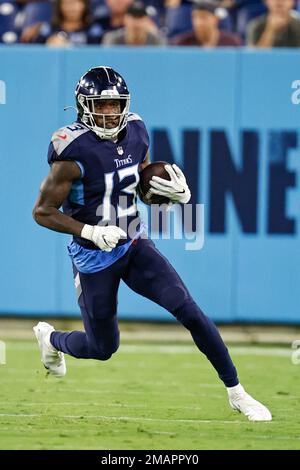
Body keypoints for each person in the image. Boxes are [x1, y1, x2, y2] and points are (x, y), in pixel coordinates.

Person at [32, 65, 271, 422]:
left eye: (116, 105)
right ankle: (51, 340)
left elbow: (139, 182)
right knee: (102, 347)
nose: (111, 113)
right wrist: (91, 232)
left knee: (188, 309)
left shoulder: (137, 132)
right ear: (84, 106)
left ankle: (237, 392)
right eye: (102, 105)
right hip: (93, 256)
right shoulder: (72, 151)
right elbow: (43, 212)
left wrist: (166, 193)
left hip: (133, 242)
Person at [24, 0, 103, 45]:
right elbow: (37, 49)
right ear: (60, 6)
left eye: (76, 3)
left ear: (84, 5)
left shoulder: (93, 29)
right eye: (67, 3)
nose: (72, 8)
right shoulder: (48, 28)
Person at [172, 0, 242, 47]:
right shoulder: (182, 43)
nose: (198, 22)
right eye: (195, 17)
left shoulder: (231, 43)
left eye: (204, 17)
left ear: (216, 19)